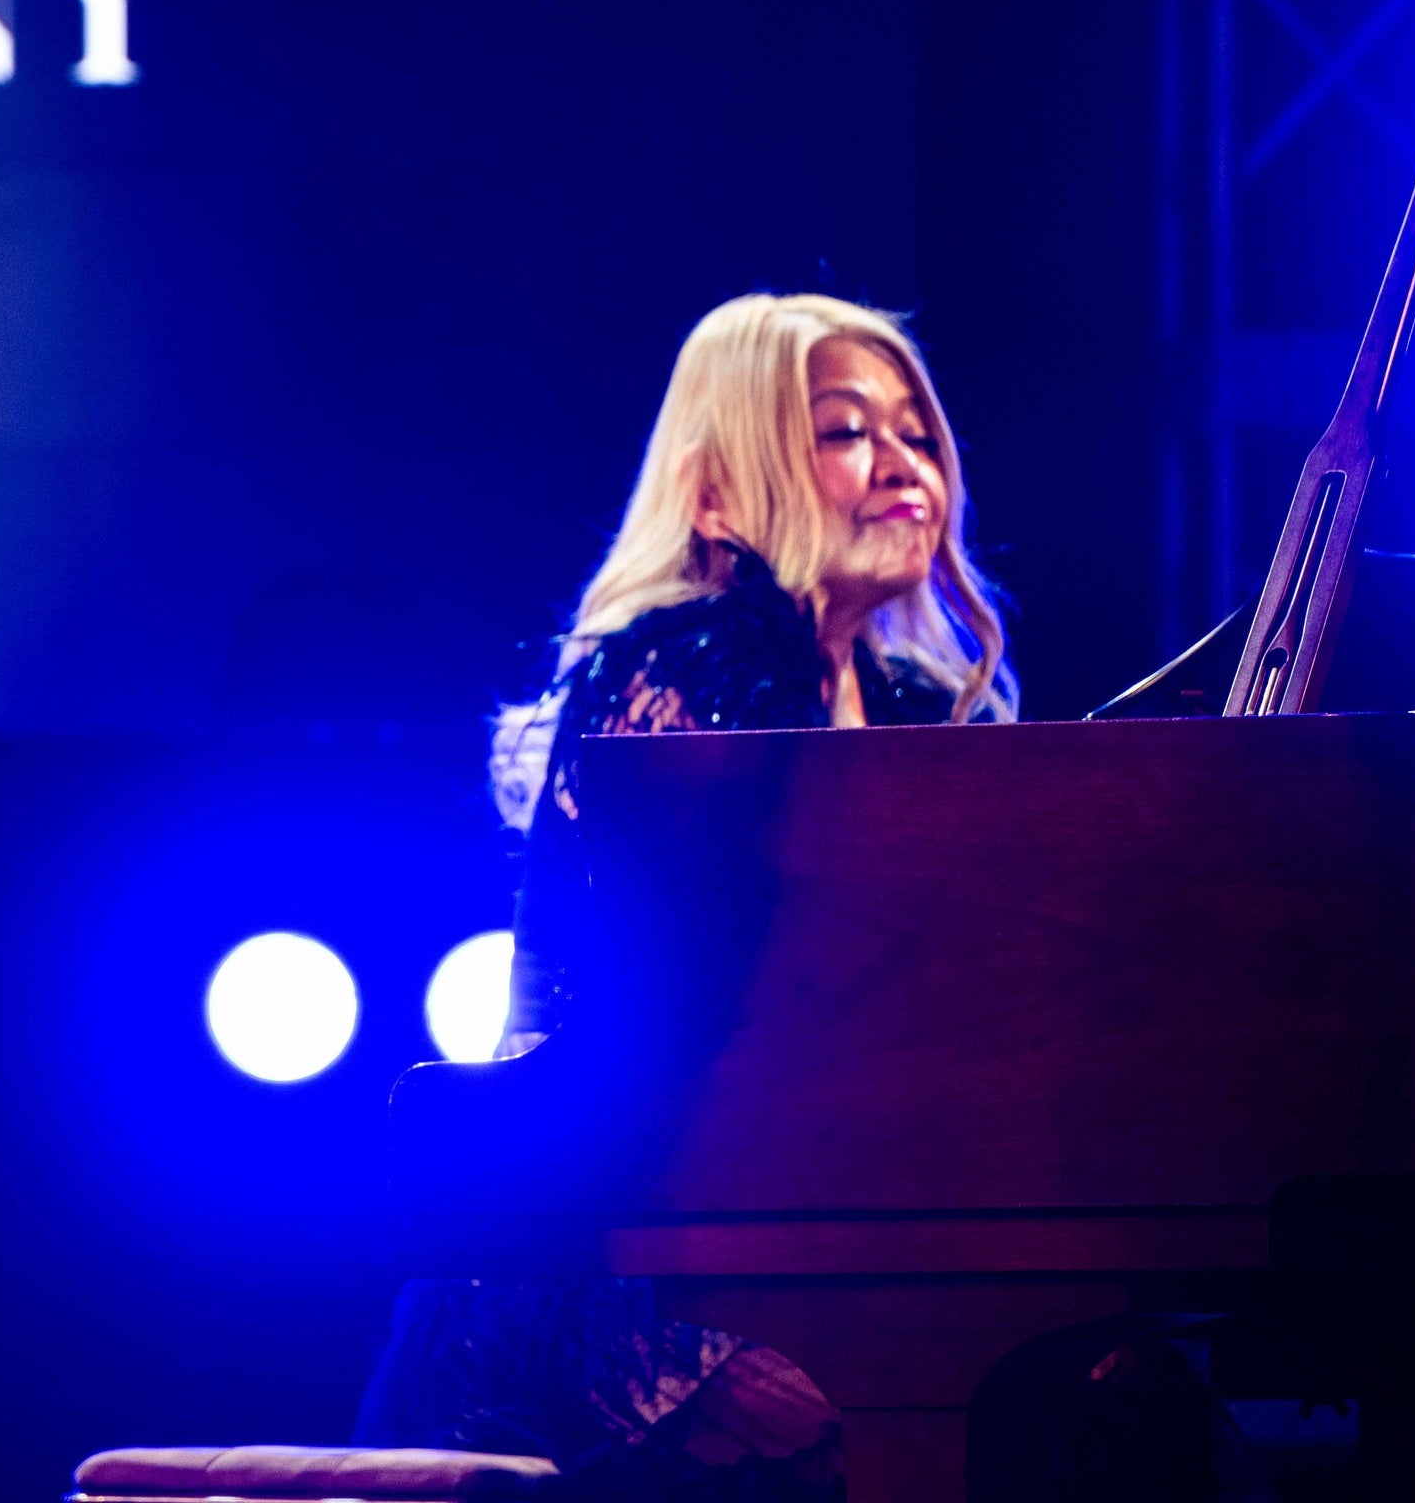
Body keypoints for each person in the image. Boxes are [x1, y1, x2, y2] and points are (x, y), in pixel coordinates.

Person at [360, 294, 1015, 1499]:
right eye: (843, 431)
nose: (902, 464)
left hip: (806, 1219)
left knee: (1117, 1402)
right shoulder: (688, 663)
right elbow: (668, 1033)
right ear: (718, 494)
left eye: (917, 433)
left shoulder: (916, 705)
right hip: (609, 1245)